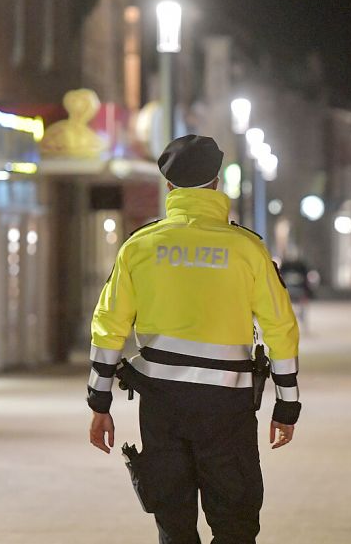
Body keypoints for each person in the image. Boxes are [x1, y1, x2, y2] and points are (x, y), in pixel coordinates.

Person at [87, 135, 302, 544]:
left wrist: (99, 402)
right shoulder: (247, 249)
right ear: (217, 183)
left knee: (174, 523)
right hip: (227, 408)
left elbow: (108, 325)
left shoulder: (140, 247)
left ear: (168, 187)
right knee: (236, 525)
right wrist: (287, 405)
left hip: (162, 406)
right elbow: (281, 328)